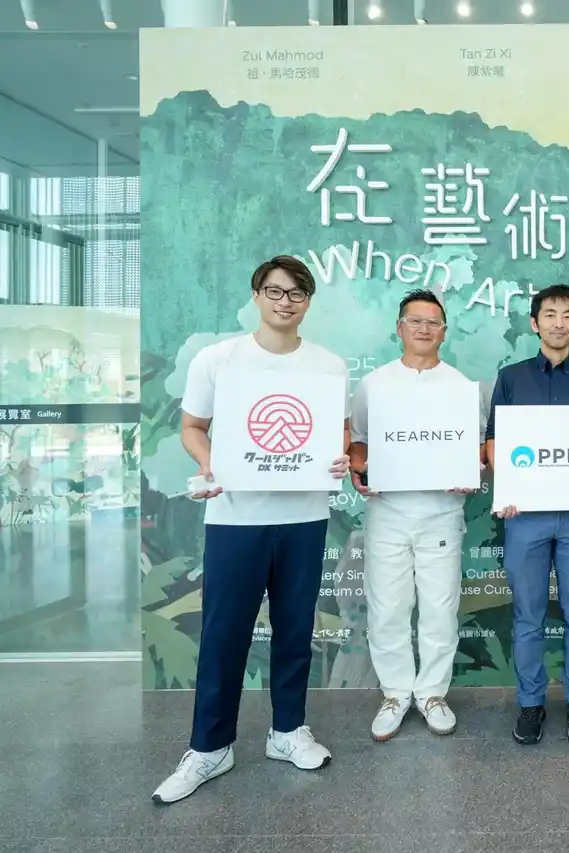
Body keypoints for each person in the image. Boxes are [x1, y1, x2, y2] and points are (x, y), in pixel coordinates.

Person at [152, 255, 351, 804]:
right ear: (257, 295)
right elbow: (192, 427)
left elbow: (336, 433)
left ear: (308, 302)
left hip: (305, 517)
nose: (286, 301)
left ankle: (288, 731)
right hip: (235, 517)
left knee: (295, 629)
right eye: (275, 291)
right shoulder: (219, 360)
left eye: (297, 293)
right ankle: (210, 747)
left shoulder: (329, 365)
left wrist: (337, 458)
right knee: (224, 634)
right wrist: (210, 463)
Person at [347, 289, 486, 742]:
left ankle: (431, 694)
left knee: (440, 609)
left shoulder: (461, 387)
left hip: (441, 514)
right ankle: (395, 694)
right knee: (388, 607)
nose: (424, 329)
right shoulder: (375, 384)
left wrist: (470, 472)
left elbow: (475, 452)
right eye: (415, 321)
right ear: (399, 328)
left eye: (433, 323)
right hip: (388, 512)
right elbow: (359, 444)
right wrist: (359, 471)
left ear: (444, 332)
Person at [484, 284, 569, 745]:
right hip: (526, 516)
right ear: (534, 322)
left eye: (568, 315)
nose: (559, 323)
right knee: (528, 615)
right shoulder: (511, 378)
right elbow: (494, 440)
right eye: (550, 314)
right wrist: (510, 485)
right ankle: (530, 703)